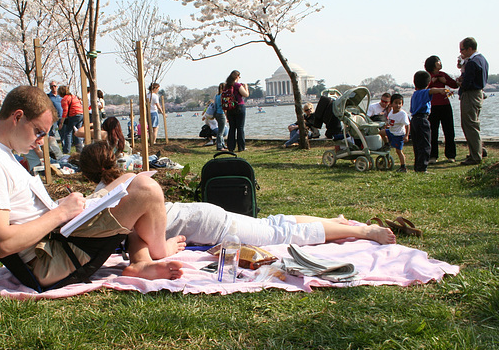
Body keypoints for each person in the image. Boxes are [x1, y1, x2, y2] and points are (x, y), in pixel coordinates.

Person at [0, 86, 185, 287]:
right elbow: (3, 243)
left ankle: (141, 261)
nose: (40, 141)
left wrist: (66, 208)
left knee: (127, 179)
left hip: (60, 237)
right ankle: (160, 250)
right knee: (147, 189)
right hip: (54, 258)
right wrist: (61, 213)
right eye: (39, 132)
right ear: (17, 117)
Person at [79, 141, 397, 247]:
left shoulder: (106, 196)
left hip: (211, 225)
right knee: (276, 223)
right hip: (203, 217)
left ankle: (366, 232)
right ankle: (336, 221)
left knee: (283, 233)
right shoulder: (124, 183)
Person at [457, 37, 489, 166]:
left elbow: (467, 83)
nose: (461, 52)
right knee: (473, 123)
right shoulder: (482, 60)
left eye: (462, 49)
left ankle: (475, 156)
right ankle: (478, 150)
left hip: (470, 95)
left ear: (470, 48)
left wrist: (460, 82)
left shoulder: (472, 62)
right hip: (478, 94)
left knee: (469, 125)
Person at [410, 71, 449, 173]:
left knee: (417, 145)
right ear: (428, 83)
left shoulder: (415, 94)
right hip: (422, 119)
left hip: (414, 120)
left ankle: (418, 167)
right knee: (425, 145)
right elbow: (431, 91)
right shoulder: (423, 92)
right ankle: (422, 168)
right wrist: (441, 90)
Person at [424, 55, 459, 163]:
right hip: (432, 107)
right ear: (432, 64)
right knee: (433, 132)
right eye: (437, 61)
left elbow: (455, 85)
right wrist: (432, 82)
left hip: (445, 105)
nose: (440, 62)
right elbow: (421, 88)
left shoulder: (443, 75)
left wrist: (445, 81)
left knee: (449, 131)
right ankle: (433, 156)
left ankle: (450, 155)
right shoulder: (427, 76)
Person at [379, 94, 410, 172]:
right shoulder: (391, 112)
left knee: (398, 151)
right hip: (391, 131)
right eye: (396, 103)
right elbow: (390, 121)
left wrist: (406, 135)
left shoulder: (402, 114)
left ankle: (403, 167)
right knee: (381, 132)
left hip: (398, 134)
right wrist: (386, 125)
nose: (398, 105)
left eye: (400, 103)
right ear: (391, 104)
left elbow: (407, 125)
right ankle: (387, 144)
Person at [223, 70, 249, 152]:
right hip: (239, 107)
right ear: (237, 77)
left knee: (232, 128)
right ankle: (241, 147)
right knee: (240, 127)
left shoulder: (226, 86)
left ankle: (231, 147)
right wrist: (246, 87)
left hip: (230, 108)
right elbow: (246, 94)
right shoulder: (237, 85)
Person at [58, 85, 84, 154]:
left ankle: (66, 150)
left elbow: (65, 111)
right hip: (81, 114)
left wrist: (61, 122)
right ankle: (79, 149)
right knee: (77, 132)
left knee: (68, 133)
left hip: (74, 115)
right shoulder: (73, 96)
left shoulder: (64, 99)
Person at [213, 83, 227, 151]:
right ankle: (219, 146)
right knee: (221, 131)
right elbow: (224, 106)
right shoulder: (223, 96)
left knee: (221, 129)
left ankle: (223, 144)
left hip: (217, 114)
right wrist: (227, 116)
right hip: (221, 113)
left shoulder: (216, 96)